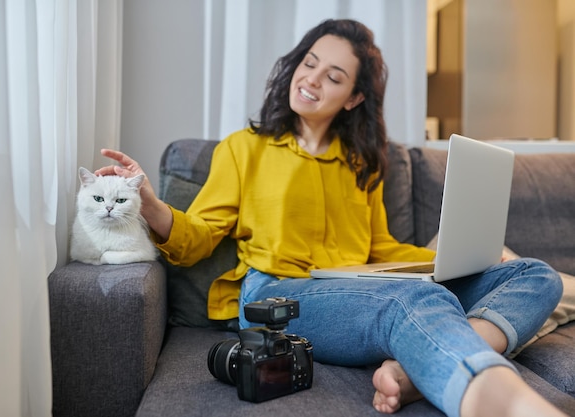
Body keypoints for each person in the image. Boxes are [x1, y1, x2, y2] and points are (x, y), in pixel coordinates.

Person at [96, 19, 565, 417]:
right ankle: (503, 401)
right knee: (408, 302)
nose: (312, 79)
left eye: (334, 76)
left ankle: (416, 372)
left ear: (354, 99)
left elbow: (381, 249)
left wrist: (461, 260)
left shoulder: (362, 165)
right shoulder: (245, 148)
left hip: (364, 285)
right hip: (279, 293)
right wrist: (150, 205)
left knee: (536, 275)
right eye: (310, 63)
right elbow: (198, 237)